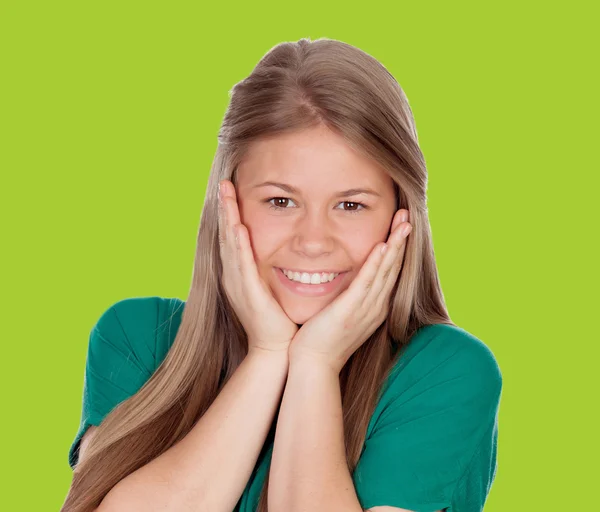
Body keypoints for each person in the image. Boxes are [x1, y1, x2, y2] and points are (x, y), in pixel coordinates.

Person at [61, 37, 502, 512]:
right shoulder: (138, 337)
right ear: (227, 205)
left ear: (401, 218)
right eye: (280, 201)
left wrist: (314, 364)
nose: (313, 241)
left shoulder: (444, 372)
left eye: (351, 205)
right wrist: (267, 354)